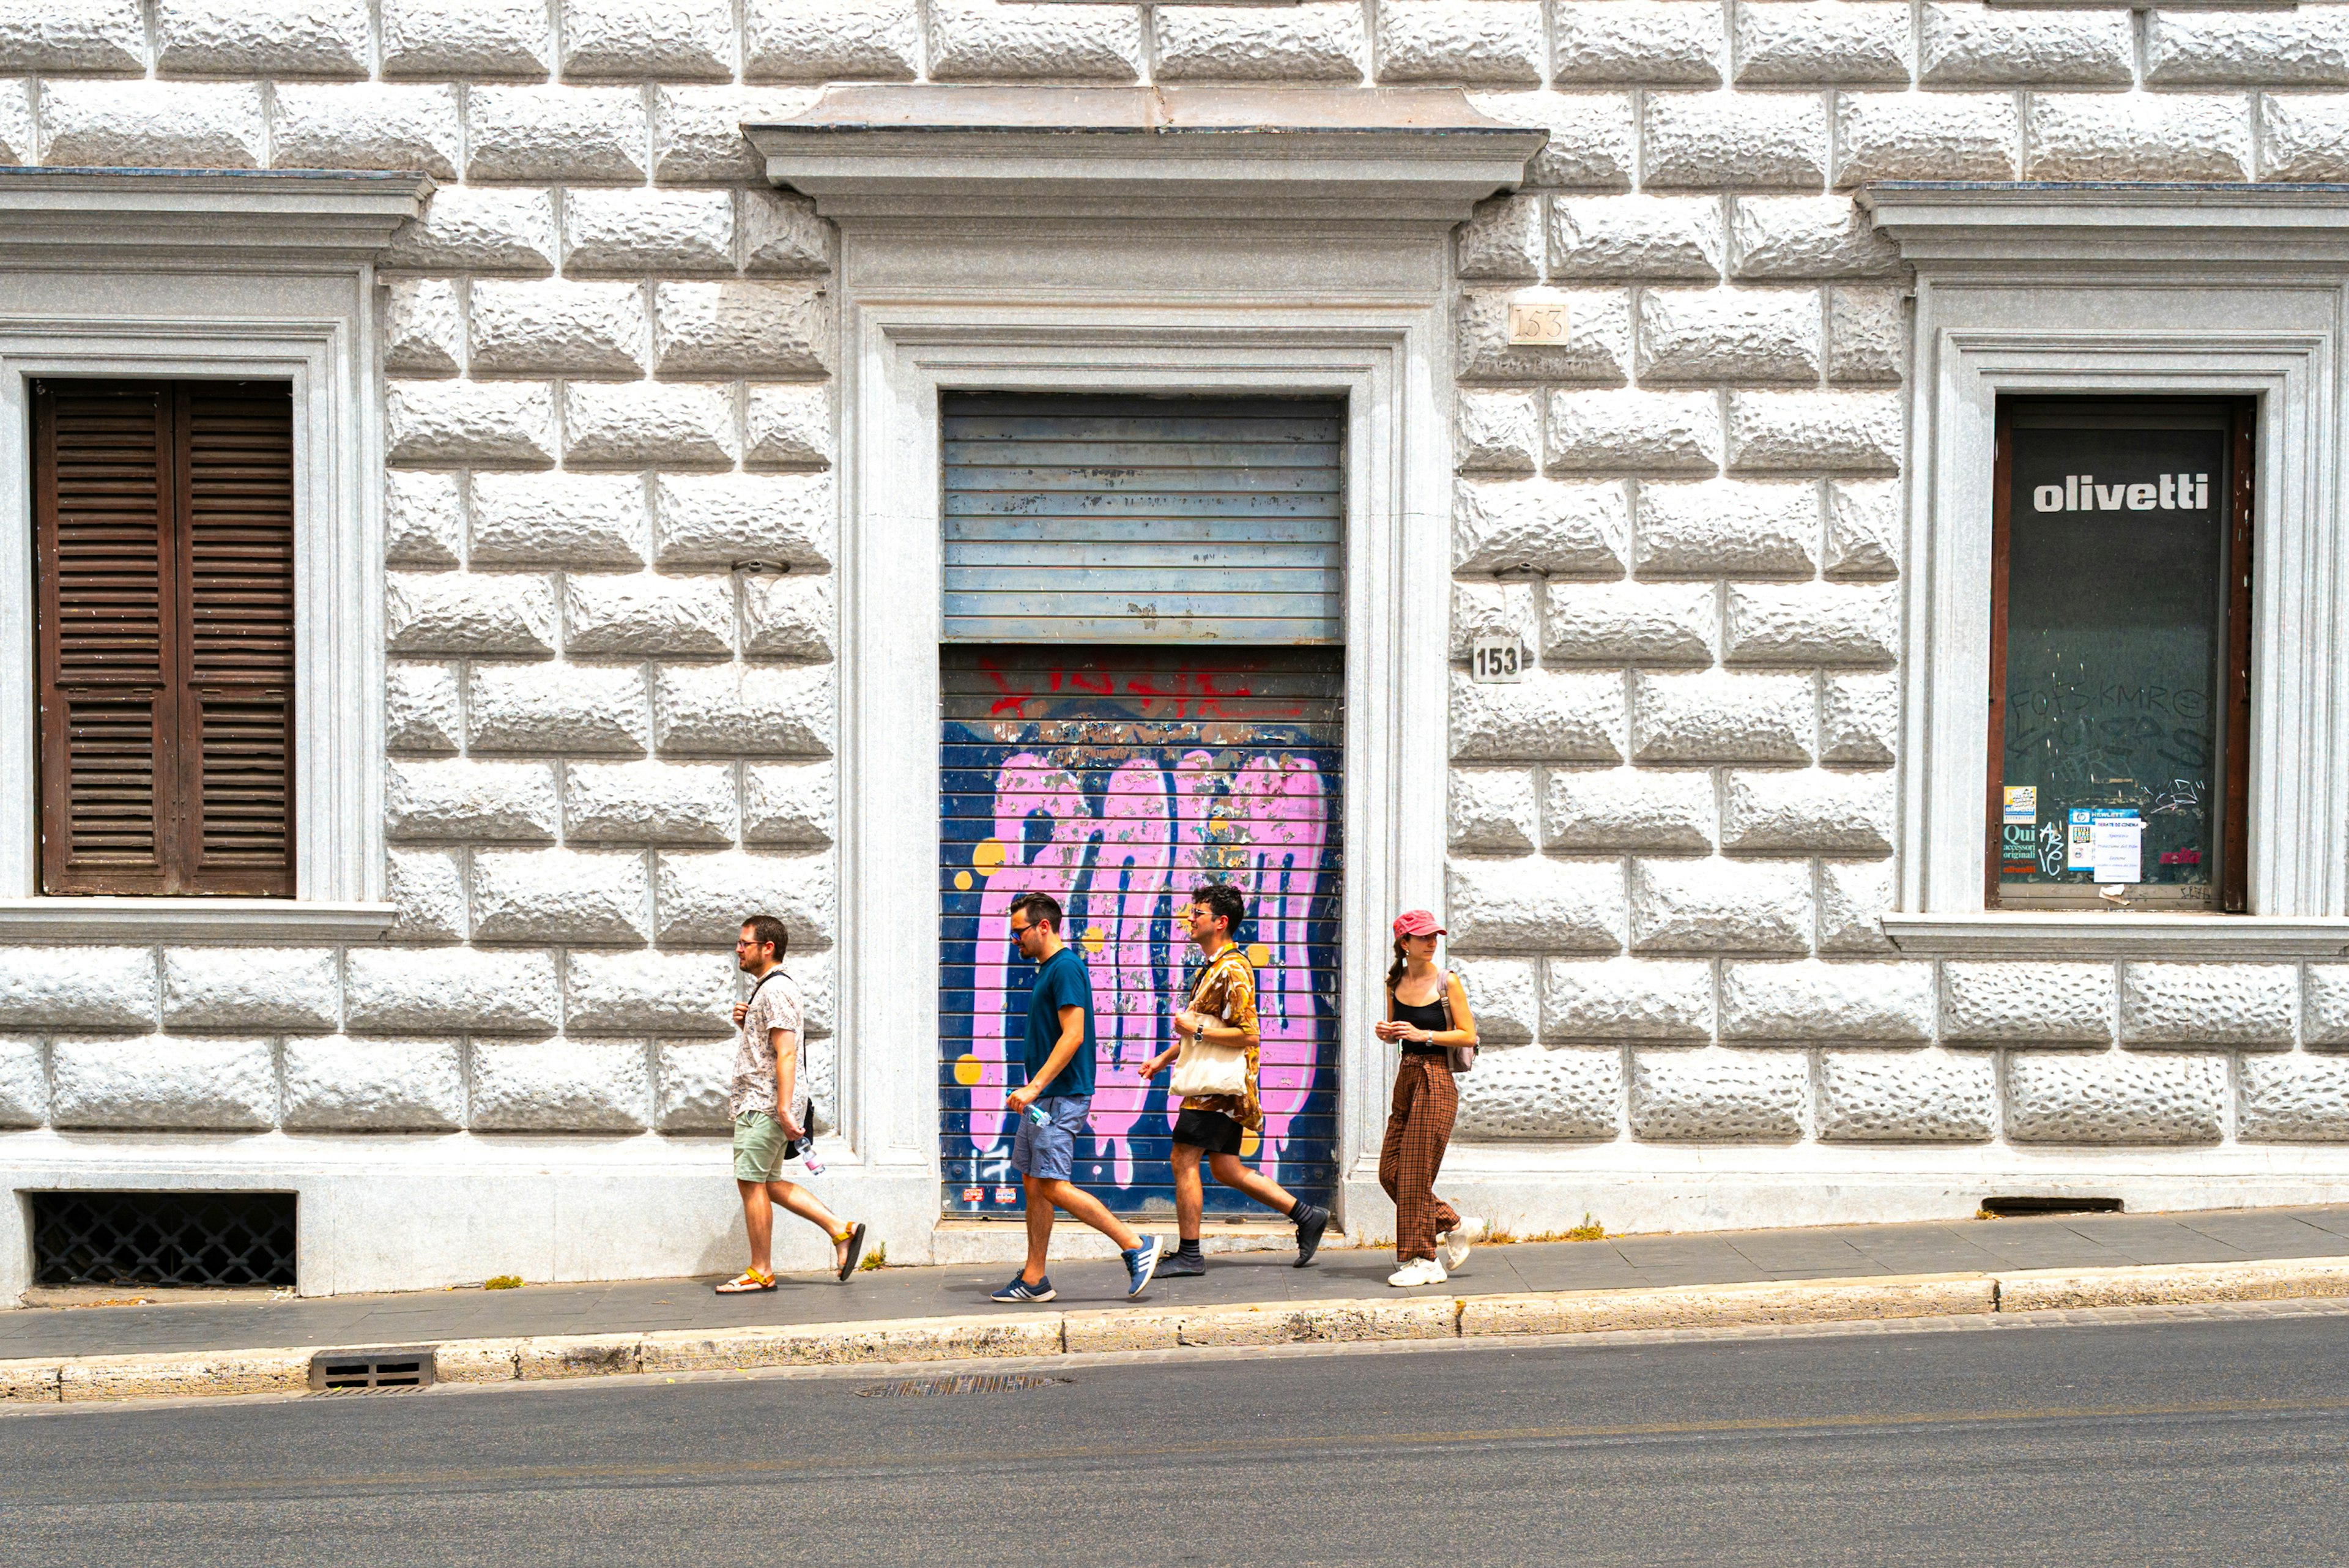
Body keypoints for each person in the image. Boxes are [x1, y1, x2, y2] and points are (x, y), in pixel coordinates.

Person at [1137, 882, 1331, 1274]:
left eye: (1198, 913)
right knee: (1226, 1168)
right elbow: (1203, 1030)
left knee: (1183, 1158)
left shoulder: (1233, 971)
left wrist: (1196, 1032)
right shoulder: (1212, 969)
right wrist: (1163, 1058)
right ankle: (1307, 1215)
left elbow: (1248, 1034)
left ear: (1221, 922)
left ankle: (1190, 1254)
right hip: (1218, 1087)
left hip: (1218, 1092)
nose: (1190, 919)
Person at [991, 890, 1167, 1303]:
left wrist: (1035, 1086)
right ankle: (1034, 1278)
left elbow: (1074, 1035)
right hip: (1043, 1101)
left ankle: (1135, 1243)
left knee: (1052, 1184)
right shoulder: (1050, 968)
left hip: (1058, 1097)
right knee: (1034, 1182)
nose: (1014, 940)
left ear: (1044, 926)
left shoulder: (1066, 968)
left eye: (1019, 932)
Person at [716, 915, 866, 1293]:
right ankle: (840, 1229)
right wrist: (746, 1024)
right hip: (767, 1102)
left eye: (744, 943)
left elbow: (786, 1053)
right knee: (769, 1182)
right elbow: (772, 1047)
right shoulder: (768, 990)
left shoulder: (776, 990)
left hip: (764, 1104)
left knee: (751, 1183)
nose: (738, 949)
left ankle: (760, 1270)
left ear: (768, 948)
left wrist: (783, 1109)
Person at [1374, 909, 1480, 1288]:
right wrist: (1388, 1033)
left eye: (1434, 936)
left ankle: (1424, 1260)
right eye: (1422, 937)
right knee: (1390, 1172)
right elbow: (1398, 1033)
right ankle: (1454, 1223)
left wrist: (1426, 1035)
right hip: (1408, 1077)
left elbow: (1468, 1035)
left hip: (1436, 1079)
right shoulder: (1394, 983)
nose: (1432, 942)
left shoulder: (1446, 981)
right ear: (1405, 943)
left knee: (1415, 1175)